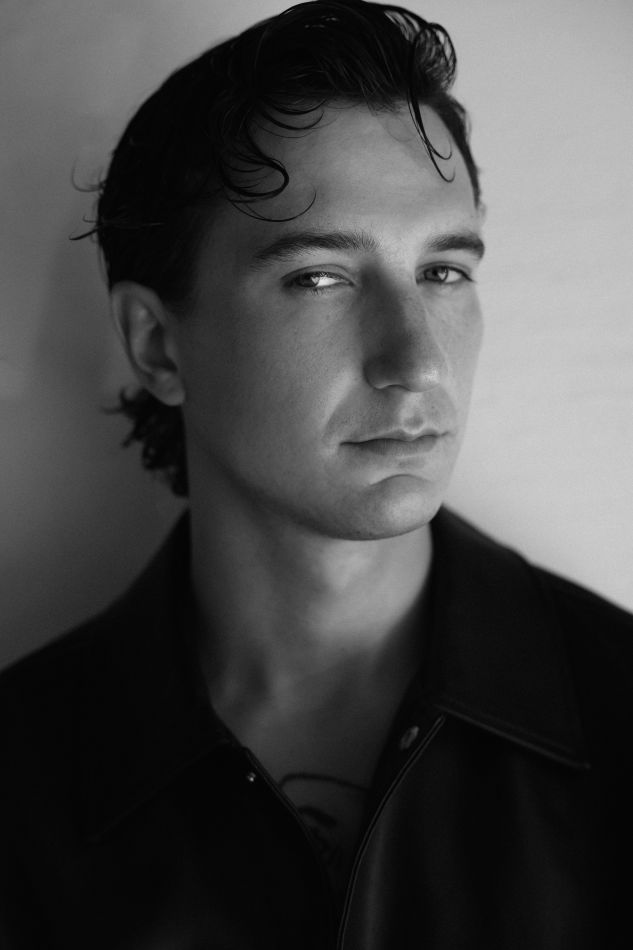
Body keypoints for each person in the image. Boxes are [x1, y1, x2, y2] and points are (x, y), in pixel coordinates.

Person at [1, 1, 631, 947]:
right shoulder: (21, 786)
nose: (415, 361)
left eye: (443, 272)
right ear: (159, 345)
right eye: (320, 279)